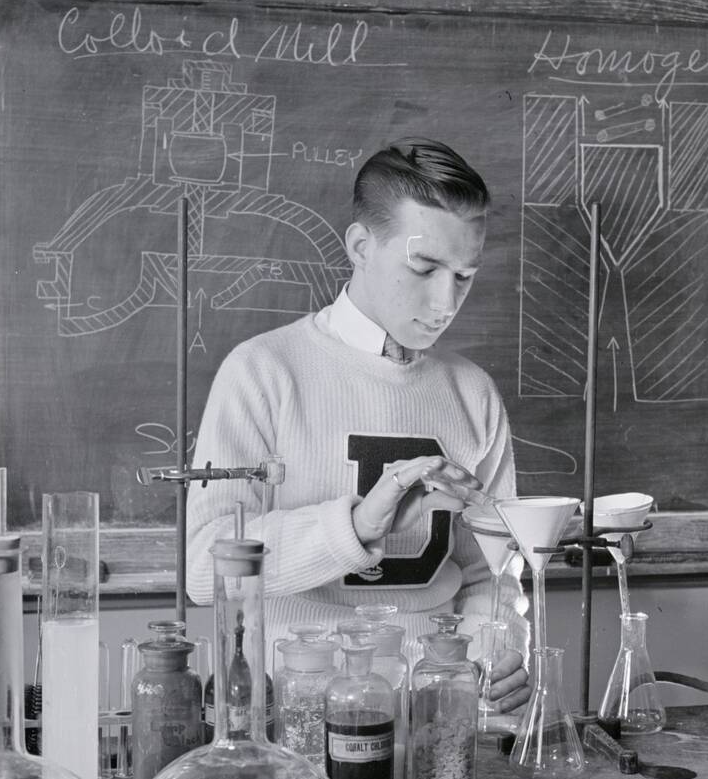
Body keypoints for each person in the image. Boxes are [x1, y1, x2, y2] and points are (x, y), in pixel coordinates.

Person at [186, 138, 529, 715]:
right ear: (361, 246)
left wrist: (498, 649)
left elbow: (490, 573)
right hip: (291, 710)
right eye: (424, 268)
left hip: (440, 715)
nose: (446, 301)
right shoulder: (263, 371)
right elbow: (205, 572)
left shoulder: (472, 393)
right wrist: (354, 527)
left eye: (464, 276)